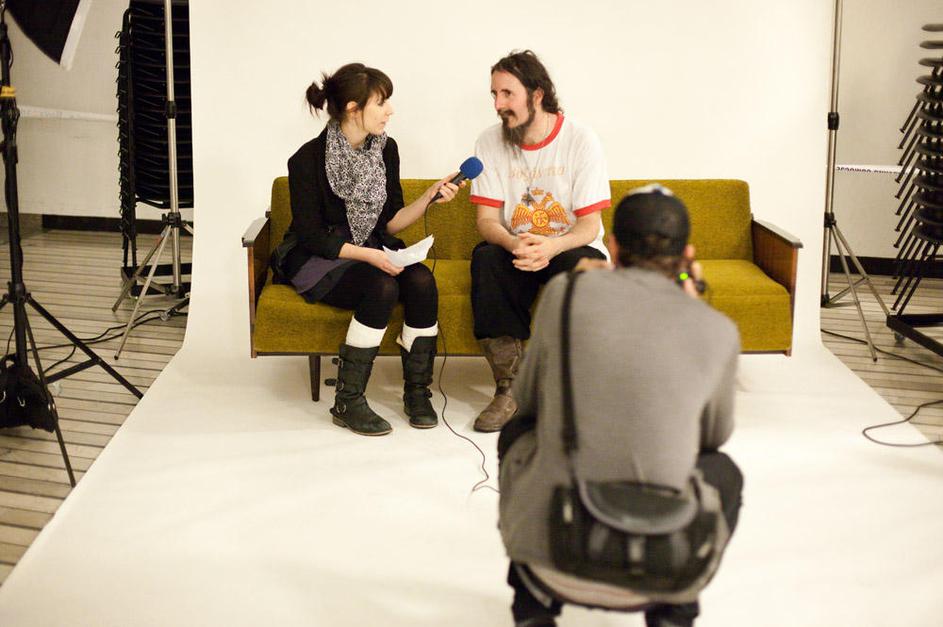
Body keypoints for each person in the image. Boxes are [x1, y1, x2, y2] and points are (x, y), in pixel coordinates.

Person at [497, 185, 744, 626]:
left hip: (554, 555)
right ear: (688, 255)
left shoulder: (564, 294)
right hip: (660, 568)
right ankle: (676, 606)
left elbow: (527, 399)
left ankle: (533, 602)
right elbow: (713, 437)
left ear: (612, 247)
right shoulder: (718, 329)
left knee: (517, 429)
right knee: (723, 470)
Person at [281, 63, 461, 436]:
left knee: (422, 281)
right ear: (353, 108)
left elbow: (389, 223)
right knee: (382, 285)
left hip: (372, 244)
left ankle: (416, 392)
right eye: (381, 102)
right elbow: (312, 236)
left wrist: (428, 198)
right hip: (322, 256)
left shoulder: (386, 149)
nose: (390, 111)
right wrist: (371, 256)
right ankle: (347, 401)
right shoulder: (306, 159)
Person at [469, 50, 611, 432]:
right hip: (517, 247)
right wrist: (514, 244)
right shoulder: (489, 141)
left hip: (568, 246)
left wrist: (550, 246)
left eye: (507, 94)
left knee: (587, 271)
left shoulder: (580, 140)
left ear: (537, 95)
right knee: (486, 259)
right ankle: (510, 388)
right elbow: (486, 221)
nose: (498, 105)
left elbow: (589, 226)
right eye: (494, 94)